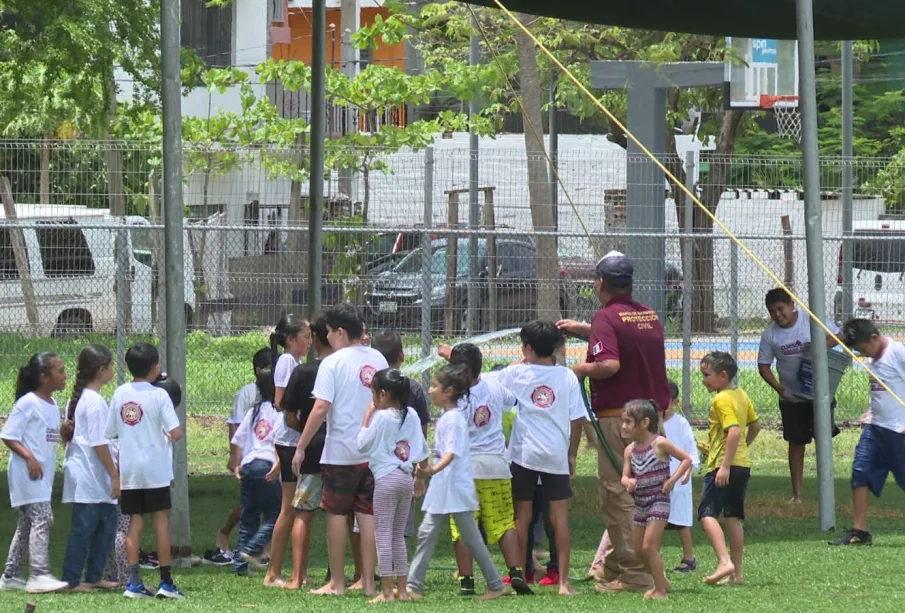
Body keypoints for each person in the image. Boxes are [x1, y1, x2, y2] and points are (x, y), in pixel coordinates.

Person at [558, 251, 667, 594]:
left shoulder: (606, 316)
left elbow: (609, 365)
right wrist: (585, 330)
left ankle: (635, 574)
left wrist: (577, 370)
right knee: (645, 493)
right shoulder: (648, 314)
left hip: (620, 420)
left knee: (619, 492)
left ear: (600, 283)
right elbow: (625, 336)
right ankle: (619, 564)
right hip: (652, 418)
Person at [292, 303, 389, 597]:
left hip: (341, 452)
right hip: (373, 452)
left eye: (331, 333)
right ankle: (369, 583)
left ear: (341, 332)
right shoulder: (378, 358)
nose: (329, 338)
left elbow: (321, 407)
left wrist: (300, 446)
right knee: (367, 516)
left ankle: (337, 583)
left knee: (336, 514)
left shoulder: (332, 363)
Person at [495, 320, 587, 597]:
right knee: (559, 519)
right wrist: (571, 454)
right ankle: (564, 584)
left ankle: (520, 575)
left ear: (528, 348)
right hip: (556, 454)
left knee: (521, 517)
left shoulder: (517, 373)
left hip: (524, 454)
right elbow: (577, 419)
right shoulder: (568, 376)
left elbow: (488, 381)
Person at [406, 364, 506, 601]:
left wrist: (430, 470)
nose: (429, 390)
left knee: (459, 537)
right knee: (430, 534)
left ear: (448, 391)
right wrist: (429, 473)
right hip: (446, 487)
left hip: (454, 488)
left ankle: (494, 584)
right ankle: (414, 586)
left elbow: (450, 454)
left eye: (434, 386)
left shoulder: (453, 420)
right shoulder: (448, 417)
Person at [440, 342, 533, 596]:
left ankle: (467, 581)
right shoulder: (493, 385)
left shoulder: (452, 397)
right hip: (496, 466)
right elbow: (512, 399)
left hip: (464, 469)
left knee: (463, 527)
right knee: (504, 523)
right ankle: (516, 572)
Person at [105, 343, 184, 599]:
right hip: (155, 470)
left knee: (135, 523)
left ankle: (134, 582)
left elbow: (111, 432)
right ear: (154, 367)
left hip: (130, 471)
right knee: (160, 520)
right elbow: (176, 433)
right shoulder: (159, 395)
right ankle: (166, 582)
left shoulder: (119, 393)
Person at [757, 288, 840, 503]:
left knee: (824, 441)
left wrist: (817, 347)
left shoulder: (810, 319)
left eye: (781, 309)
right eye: (772, 311)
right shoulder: (770, 335)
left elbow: (838, 336)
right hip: (791, 397)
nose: (778, 315)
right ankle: (798, 495)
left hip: (819, 394)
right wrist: (779, 387)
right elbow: (763, 365)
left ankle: (827, 493)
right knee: (796, 442)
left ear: (792, 305)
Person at [357, 369, 430, 603]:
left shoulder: (381, 417)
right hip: (405, 479)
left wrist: (367, 417)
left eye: (373, 394)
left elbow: (362, 444)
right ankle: (403, 590)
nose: (372, 400)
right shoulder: (412, 415)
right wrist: (419, 475)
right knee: (398, 536)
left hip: (386, 480)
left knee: (383, 535)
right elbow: (423, 450)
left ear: (383, 394)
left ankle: (387, 591)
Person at [831, 319, 905, 546]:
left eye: (863, 350)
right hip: (875, 429)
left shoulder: (898, 354)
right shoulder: (873, 358)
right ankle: (860, 531)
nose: (863, 355)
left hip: (899, 430)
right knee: (860, 472)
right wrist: (870, 411)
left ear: (874, 338)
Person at [0, 353, 70, 594]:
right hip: (26, 474)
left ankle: (10, 575)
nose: (65, 375)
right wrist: (30, 458)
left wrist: (64, 432)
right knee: (43, 518)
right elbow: (9, 435)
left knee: (27, 524)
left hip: (43, 476)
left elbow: (45, 436)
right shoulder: (28, 402)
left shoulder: (51, 404)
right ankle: (39, 574)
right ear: (43, 377)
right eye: (60, 371)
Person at [60, 344, 120, 592]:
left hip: (95, 476)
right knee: (83, 530)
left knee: (105, 528)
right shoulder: (93, 402)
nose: (114, 370)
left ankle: (95, 576)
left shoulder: (85, 399)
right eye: (111, 365)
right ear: (101, 369)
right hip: (90, 475)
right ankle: (71, 580)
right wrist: (115, 476)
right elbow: (98, 443)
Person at [699, 351, 761, 586]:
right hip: (742, 465)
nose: (703, 379)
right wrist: (738, 452)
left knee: (706, 513)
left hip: (723, 467)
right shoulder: (741, 394)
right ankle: (737, 574)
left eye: (707, 375)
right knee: (733, 516)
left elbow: (734, 431)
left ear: (723, 376)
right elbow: (756, 425)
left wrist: (724, 464)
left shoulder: (720, 399)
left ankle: (724, 562)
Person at [620, 399, 692, 600]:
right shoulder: (630, 450)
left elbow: (686, 459)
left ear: (644, 423)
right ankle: (662, 580)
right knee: (638, 551)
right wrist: (628, 482)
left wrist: (672, 481)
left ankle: (660, 590)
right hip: (640, 503)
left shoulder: (659, 443)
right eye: (623, 421)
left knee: (648, 547)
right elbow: (624, 476)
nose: (623, 426)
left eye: (628, 421)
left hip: (658, 501)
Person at [205, 347, 272, 566]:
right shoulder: (248, 395)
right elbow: (236, 428)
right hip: (252, 460)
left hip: (266, 462)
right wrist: (236, 459)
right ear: (258, 371)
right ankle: (231, 537)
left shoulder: (277, 402)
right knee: (253, 508)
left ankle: (257, 554)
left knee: (261, 507)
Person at [372, 329, 432, 547]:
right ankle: (397, 573)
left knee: (373, 522)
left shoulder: (373, 388)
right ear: (402, 356)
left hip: (375, 467)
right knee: (399, 528)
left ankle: (368, 572)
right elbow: (422, 431)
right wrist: (419, 468)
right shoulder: (413, 388)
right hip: (403, 467)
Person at [264, 314, 311, 588]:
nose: (309, 342)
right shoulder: (286, 362)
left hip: (292, 440)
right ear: (290, 339)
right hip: (289, 441)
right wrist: (303, 423)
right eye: (305, 337)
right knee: (288, 508)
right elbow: (280, 401)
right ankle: (273, 572)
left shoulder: (296, 362)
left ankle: (294, 572)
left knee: (295, 507)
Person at [230, 368, 282, 575]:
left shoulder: (254, 412)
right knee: (277, 514)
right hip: (267, 464)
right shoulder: (279, 413)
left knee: (248, 515)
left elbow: (238, 439)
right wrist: (278, 464)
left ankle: (239, 565)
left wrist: (237, 463)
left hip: (249, 466)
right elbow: (279, 441)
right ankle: (253, 548)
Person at [282, 361, 325, 588]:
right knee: (348, 515)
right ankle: (360, 576)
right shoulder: (354, 365)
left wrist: (305, 437)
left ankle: (298, 577)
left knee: (303, 511)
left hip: (313, 448)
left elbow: (289, 414)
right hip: (347, 451)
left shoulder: (304, 371)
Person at [662, 381, 700, 573]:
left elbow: (691, 454)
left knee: (680, 522)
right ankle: (651, 558)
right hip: (656, 482)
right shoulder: (649, 423)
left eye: (665, 402)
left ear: (675, 402)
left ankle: (689, 558)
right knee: (652, 520)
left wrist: (686, 472)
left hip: (677, 481)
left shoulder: (680, 423)